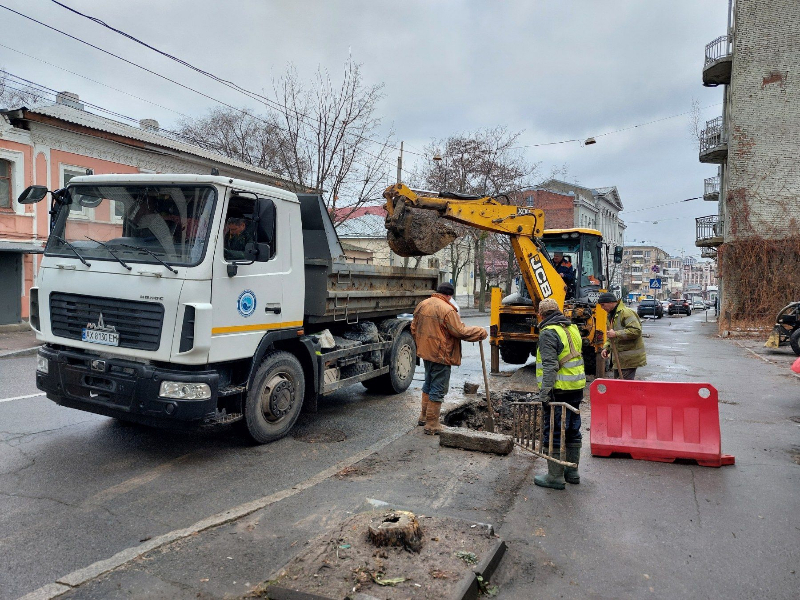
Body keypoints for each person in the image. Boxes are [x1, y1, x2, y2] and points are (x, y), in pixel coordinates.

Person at [410, 282, 488, 435]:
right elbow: (459, 331)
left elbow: (413, 327)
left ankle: (424, 417)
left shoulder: (423, 304)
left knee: (429, 383)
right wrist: (480, 331)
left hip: (426, 352)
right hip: (441, 355)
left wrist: (422, 344)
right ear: (449, 295)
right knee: (438, 387)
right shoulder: (447, 309)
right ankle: (432, 424)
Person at [533, 298, 586, 490]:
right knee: (573, 429)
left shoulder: (548, 333)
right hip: (576, 387)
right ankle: (572, 472)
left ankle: (554, 477)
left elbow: (550, 365)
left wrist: (545, 393)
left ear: (541, 314)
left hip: (559, 390)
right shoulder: (571, 328)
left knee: (554, 431)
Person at [598, 291, 646, 380]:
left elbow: (636, 331)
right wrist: (606, 348)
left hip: (629, 359)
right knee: (620, 386)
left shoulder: (626, 313)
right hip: (620, 360)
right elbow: (610, 335)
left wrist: (616, 334)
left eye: (603, 305)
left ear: (611, 302)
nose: (602, 308)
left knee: (624, 388)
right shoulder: (611, 316)